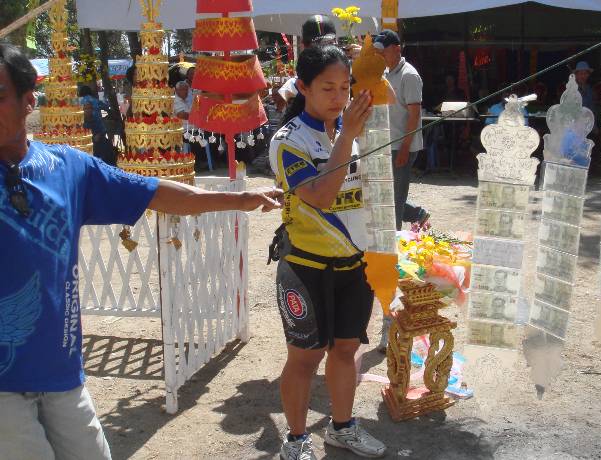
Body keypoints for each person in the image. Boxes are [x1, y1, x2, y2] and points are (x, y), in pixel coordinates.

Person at [0, 43, 282, 460]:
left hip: (62, 375)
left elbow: (157, 193)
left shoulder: (69, 169)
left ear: (29, 101)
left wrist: (241, 200)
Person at [268, 46, 386, 460]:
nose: (339, 97)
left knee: (345, 350)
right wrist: (349, 137)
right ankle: (297, 439)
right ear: (303, 87)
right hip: (305, 266)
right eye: (327, 88)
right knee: (305, 357)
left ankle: (342, 427)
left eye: (345, 87)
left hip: (355, 264)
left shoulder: (355, 129)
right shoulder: (288, 141)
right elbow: (318, 196)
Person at [374, 29, 430, 230]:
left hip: (402, 145)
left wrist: (405, 148)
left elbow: (414, 114)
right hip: (388, 143)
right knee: (384, 193)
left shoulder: (410, 75)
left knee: (395, 200)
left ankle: (393, 245)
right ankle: (417, 214)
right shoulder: (386, 73)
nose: (380, 55)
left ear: (397, 49)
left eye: (383, 51)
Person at [275, 15, 339, 109]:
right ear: (304, 46)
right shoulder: (294, 85)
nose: (322, 51)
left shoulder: (345, 75)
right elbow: (280, 107)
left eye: (327, 44)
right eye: (316, 46)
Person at [78, 86, 115, 165]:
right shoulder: (95, 101)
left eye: (90, 108)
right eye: (85, 109)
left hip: (92, 134)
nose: (88, 110)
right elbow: (106, 107)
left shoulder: (78, 102)